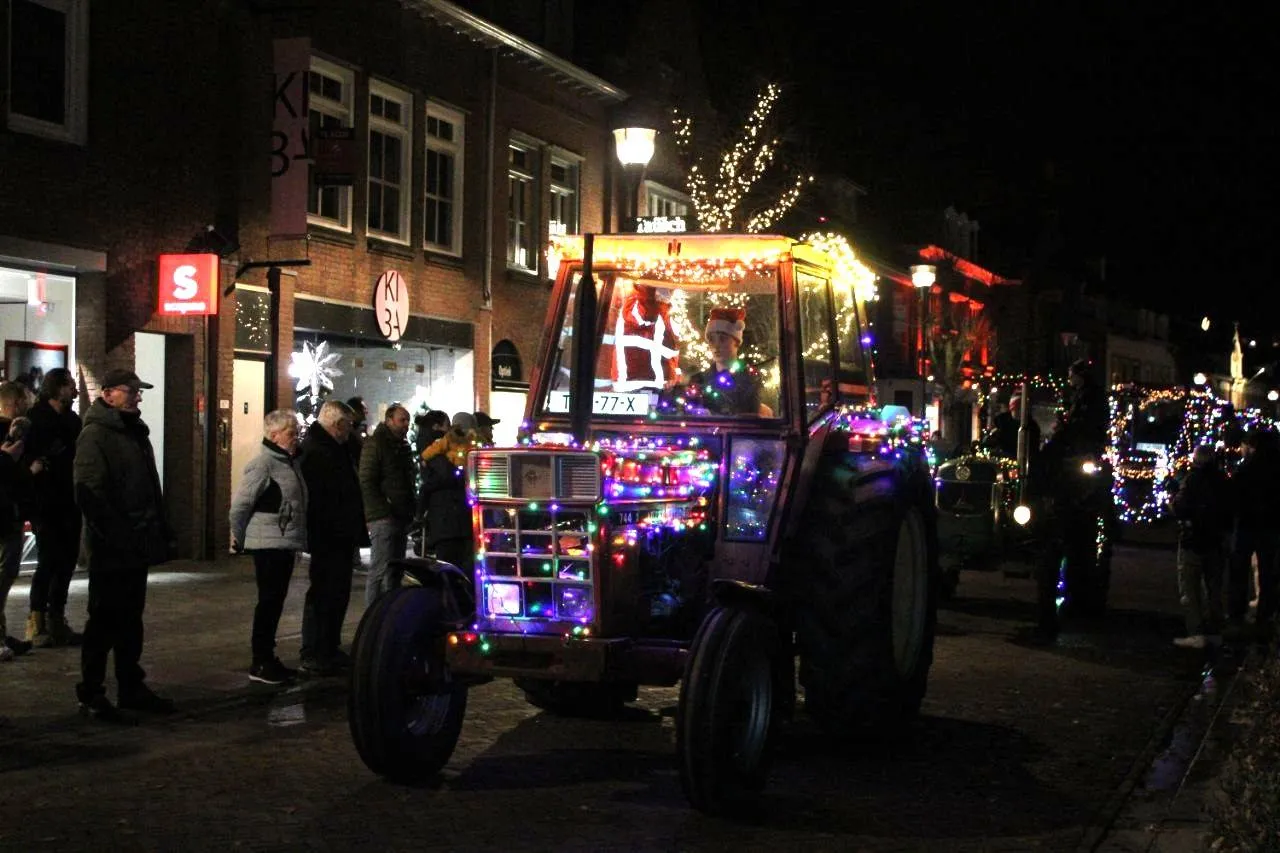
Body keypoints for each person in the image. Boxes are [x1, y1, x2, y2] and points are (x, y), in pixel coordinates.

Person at [73, 369, 174, 720]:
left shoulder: (133, 433)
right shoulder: (96, 435)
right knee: (103, 620)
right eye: (130, 391)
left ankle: (131, 685)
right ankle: (91, 691)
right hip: (112, 548)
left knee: (131, 619)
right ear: (108, 394)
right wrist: (115, 535)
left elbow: (146, 487)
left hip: (136, 545)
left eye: (138, 392)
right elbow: (90, 492)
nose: (137, 397)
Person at [229, 409, 308, 685]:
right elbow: (241, 505)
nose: (295, 437)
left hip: (282, 542)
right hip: (269, 544)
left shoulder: (288, 463)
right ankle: (261, 660)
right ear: (273, 435)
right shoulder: (263, 464)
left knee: (274, 602)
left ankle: (267, 658)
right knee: (269, 602)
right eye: (290, 432)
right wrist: (238, 537)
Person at [299, 400, 364, 676]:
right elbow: (319, 498)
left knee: (337, 592)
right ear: (337, 425)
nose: (352, 431)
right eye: (349, 426)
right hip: (327, 535)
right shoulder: (317, 452)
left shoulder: (336, 448)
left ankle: (329, 646)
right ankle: (315, 650)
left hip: (340, 533)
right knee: (324, 592)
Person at [23, 367, 84, 647]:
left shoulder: (73, 420)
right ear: (57, 388)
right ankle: (37, 621)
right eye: (70, 384)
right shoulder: (36, 420)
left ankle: (57, 618)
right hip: (45, 501)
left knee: (66, 561)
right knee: (48, 560)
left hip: (69, 501)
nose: (75, 389)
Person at [1171, 446, 1231, 648]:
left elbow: (1181, 507)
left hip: (1193, 540)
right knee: (1214, 587)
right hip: (1215, 541)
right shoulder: (1223, 480)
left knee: (1189, 587)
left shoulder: (1191, 480)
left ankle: (1196, 632)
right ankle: (1215, 629)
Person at [358, 403, 415, 604]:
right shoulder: (377, 444)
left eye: (408, 420)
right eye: (402, 420)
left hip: (399, 514)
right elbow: (366, 479)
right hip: (384, 516)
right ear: (389, 420)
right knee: (380, 569)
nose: (406, 424)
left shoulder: (401, 446)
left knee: (394, 569)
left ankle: (388, 612)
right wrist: (382, 509)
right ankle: (372, 616)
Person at [1228, 427, 1280, 639]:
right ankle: (1265, 614)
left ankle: (1237, 614)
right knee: (1268, 572)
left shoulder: (1247, 469)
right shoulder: (1275, 469)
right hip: (1270, 526)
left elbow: (1235, 496)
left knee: (1239, 571)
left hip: (1247, 526)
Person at [0, 382, 35, 661]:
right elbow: (8, 476)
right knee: (3, 575)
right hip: (3, 514)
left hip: (10, 513)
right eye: (24, 399)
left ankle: (2, 635)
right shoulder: (6, 432)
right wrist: (28, 469)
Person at [684, 307, 772, 416]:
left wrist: (712, 416)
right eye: (711, 340)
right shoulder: (698, 380)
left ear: (736, 342)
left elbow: (748, 417)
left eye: (722, 339)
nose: (716, 346)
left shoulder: (750, 378)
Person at [420, 412, 478, 578]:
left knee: (457, 570)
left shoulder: (443, 447)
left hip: (453, 522)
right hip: (448, 522)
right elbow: (445, 477)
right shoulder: (439, 448)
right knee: (451, 570)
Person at [983, 394, 1041, 460]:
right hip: (1004, 460)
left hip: (1023, 461)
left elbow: (1034, 449)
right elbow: (989, 444)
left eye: (1020, 410)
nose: (1019, 413)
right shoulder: (1001, 423)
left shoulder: (1031, 427)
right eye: (1016, 410)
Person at [346, 396, 369, 462]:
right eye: (364, 409)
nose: (367, 412)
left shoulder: (359, 429)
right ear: (355, 411)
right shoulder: (347, 432)